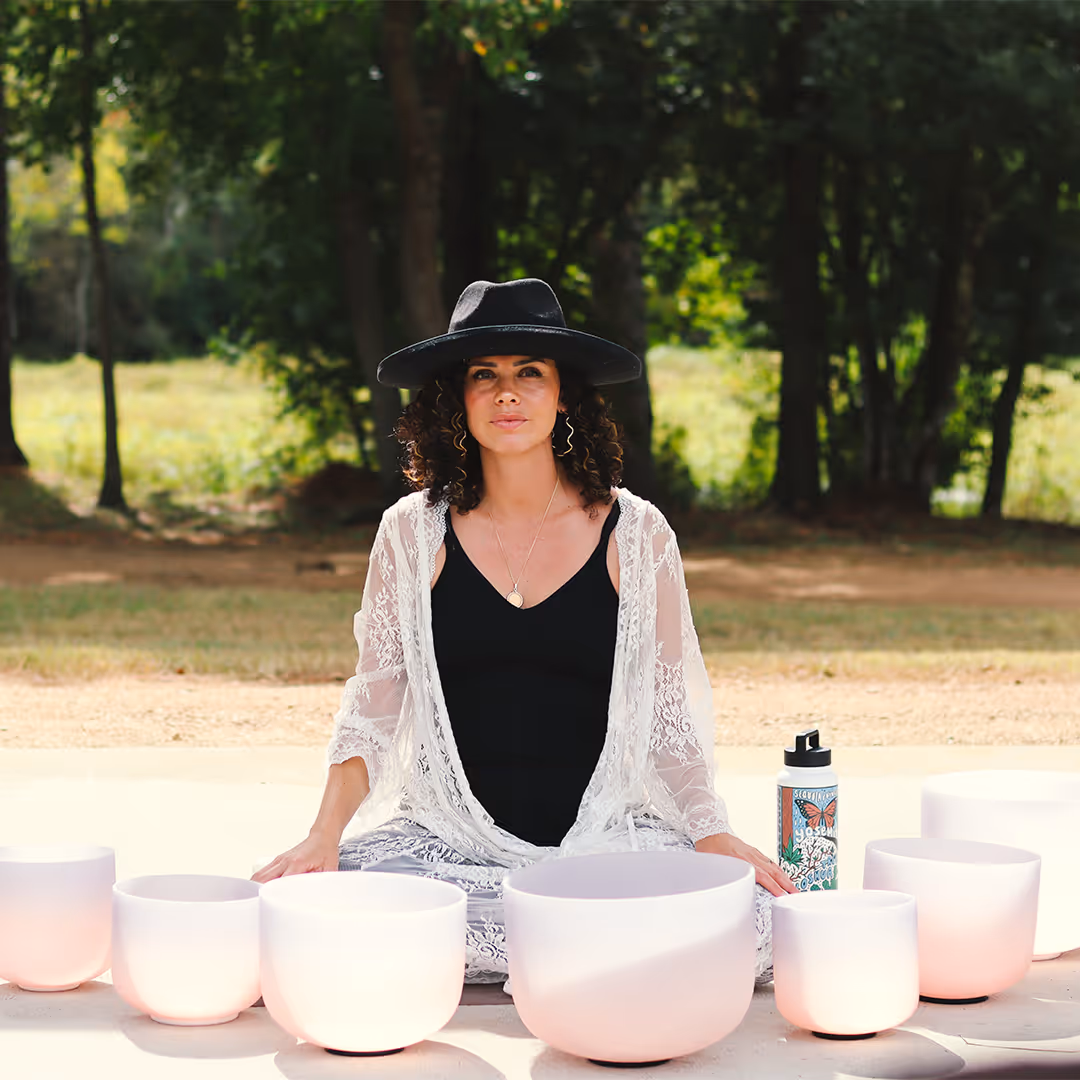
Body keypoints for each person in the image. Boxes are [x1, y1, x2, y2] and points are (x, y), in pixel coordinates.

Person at [253, 278, 795, 982]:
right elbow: (372, 710)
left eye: (530, 373)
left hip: (603, 849)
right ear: (458, 398)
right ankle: (558, 947)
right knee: (303, 915)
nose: (507, 394)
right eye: (486, 376)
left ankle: (537, 941)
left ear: (564, 395)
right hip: (448, 853)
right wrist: (323, 836)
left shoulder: (638, 535)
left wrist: (711, 831)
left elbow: (670, 725)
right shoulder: (410, 535)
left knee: (757, 926)